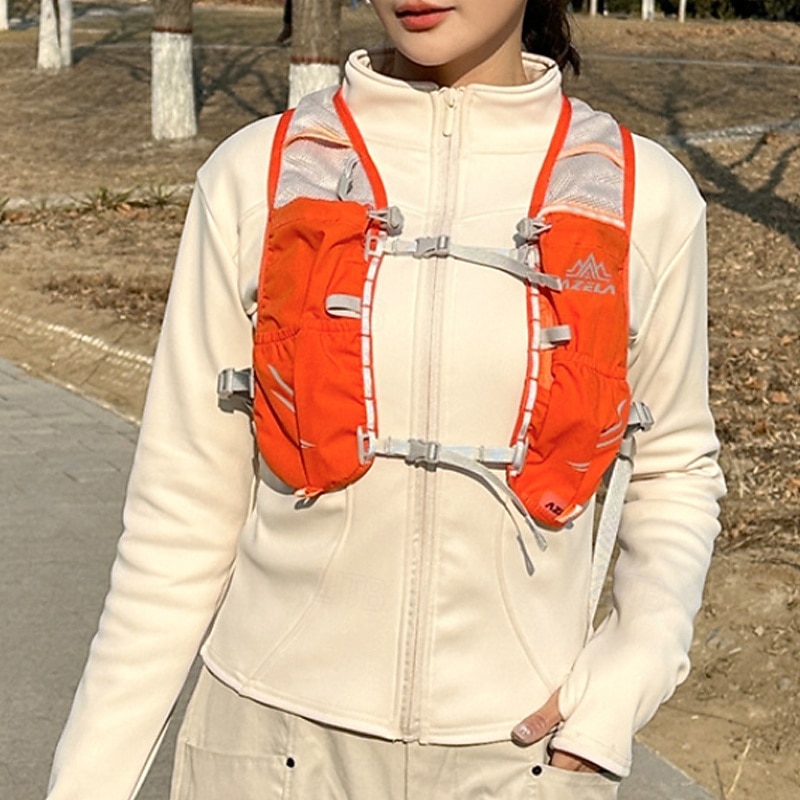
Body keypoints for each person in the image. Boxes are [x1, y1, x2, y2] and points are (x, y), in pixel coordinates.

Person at [46, 1, 725, 798]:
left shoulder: (641, 194)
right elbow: (178, 518)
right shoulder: (258, 173)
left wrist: (637, 661)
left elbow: (673, 467)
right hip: (267, 757)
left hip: (522, 762)